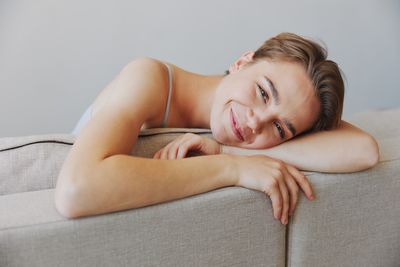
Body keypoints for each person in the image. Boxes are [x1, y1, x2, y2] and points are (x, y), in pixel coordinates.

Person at [55, 32, 379, 225]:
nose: (255, 123)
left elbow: (364, 150)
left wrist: (226, 147)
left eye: (279, 128)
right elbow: (76, 190)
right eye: (263, 92)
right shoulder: (148, 79)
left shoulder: (235, 135)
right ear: (242, 61)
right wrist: (231, 168)